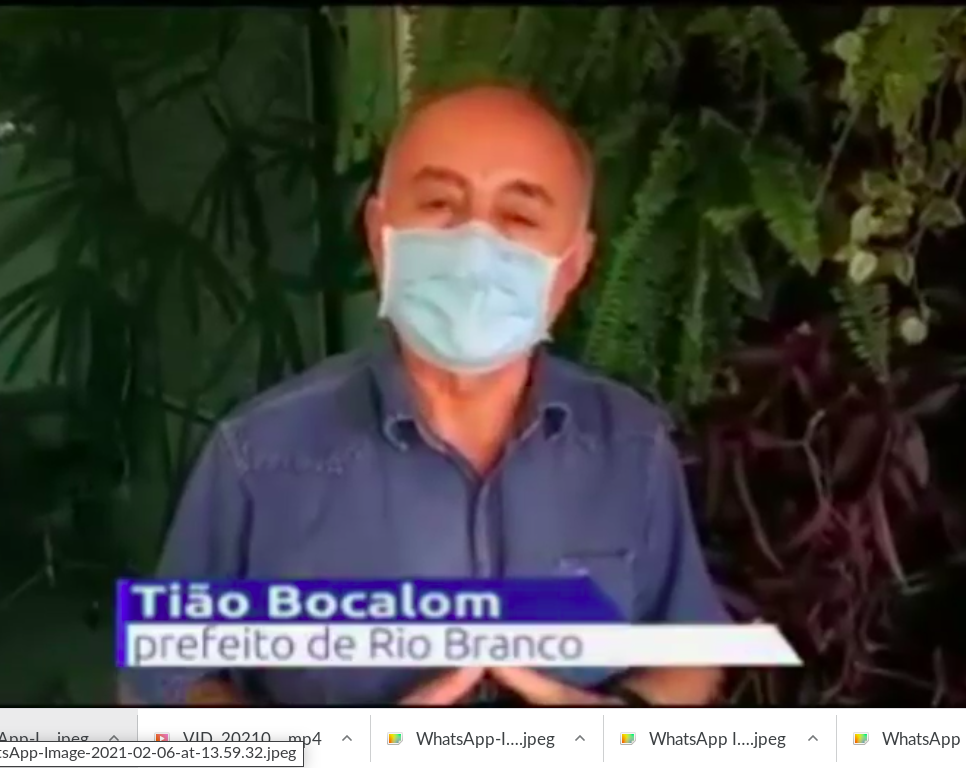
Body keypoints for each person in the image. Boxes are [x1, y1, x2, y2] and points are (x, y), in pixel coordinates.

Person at [120, 83, 730, 706]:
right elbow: (163, 682)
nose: (475, 249)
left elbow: (690, 656)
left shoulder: (629, 444)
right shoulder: (260, 455)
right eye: (440, 203)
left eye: (519, 217)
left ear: (573, 265)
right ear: (380, 236)